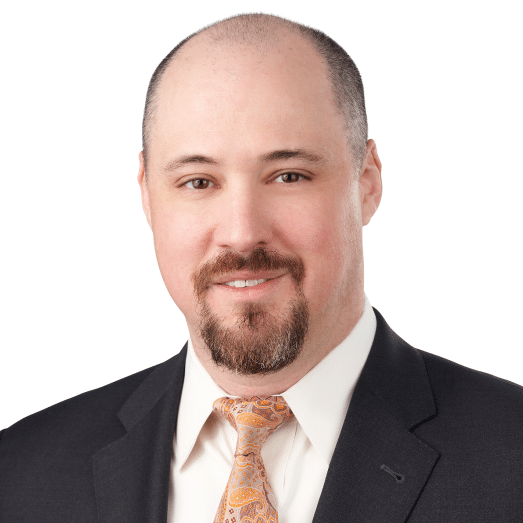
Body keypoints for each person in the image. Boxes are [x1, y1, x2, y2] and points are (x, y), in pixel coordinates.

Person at [1, 13, 522, 523]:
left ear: (366, 182)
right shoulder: (21, 472)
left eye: (288, 176)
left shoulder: (510, 459)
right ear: (146, 195)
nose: (242, 232)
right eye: (198, 182)